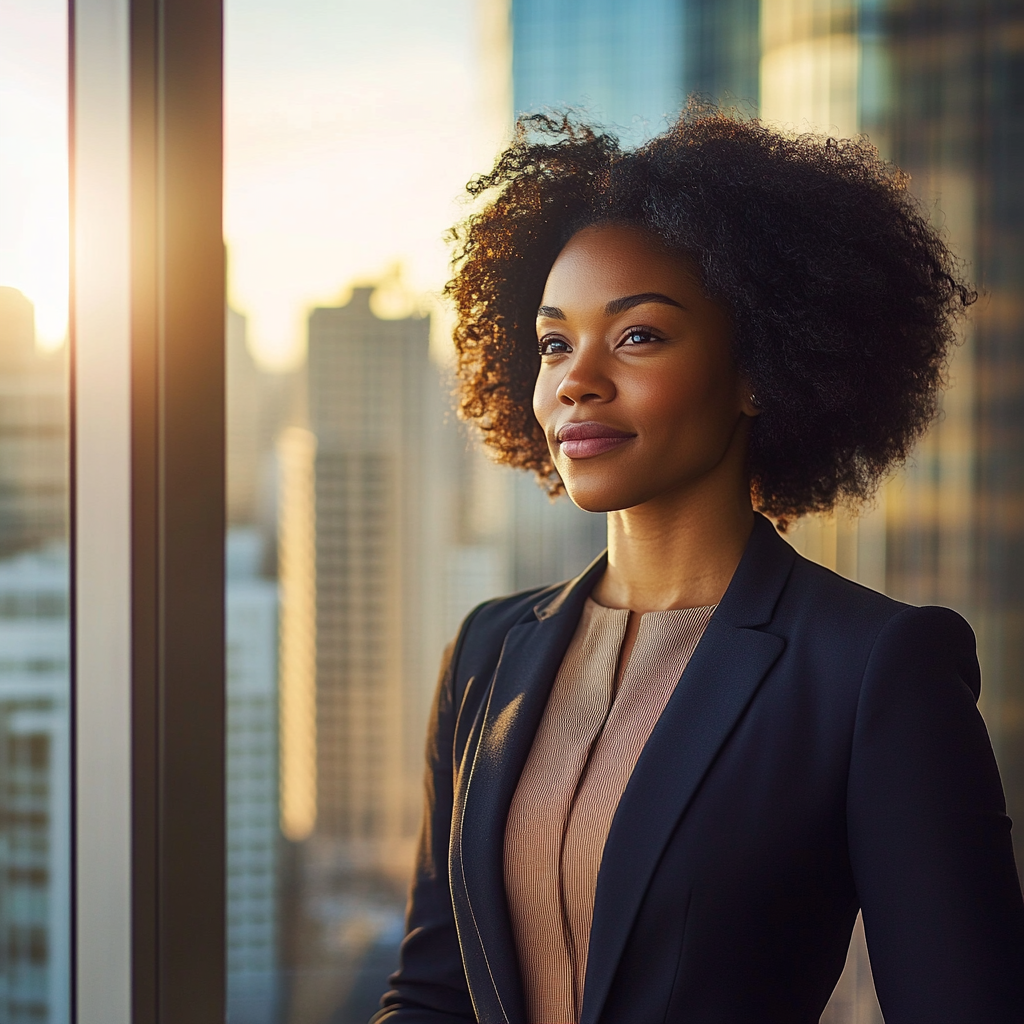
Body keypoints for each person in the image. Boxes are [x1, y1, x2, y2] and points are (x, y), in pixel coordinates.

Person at [372, 108, 1024, 1023]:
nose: (576, 380)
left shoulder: (877, 669)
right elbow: (433, 994)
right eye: (556, 341)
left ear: (759, 369)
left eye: (638, 336)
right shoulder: (487, 652)